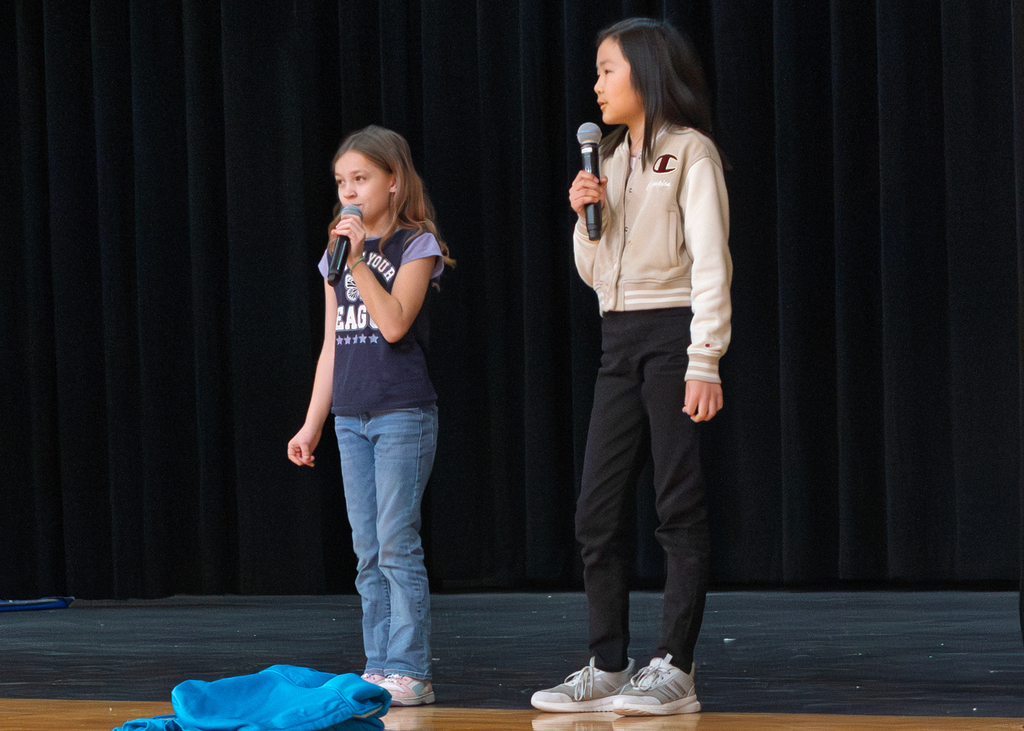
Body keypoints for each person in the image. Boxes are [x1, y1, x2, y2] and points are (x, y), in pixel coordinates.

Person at [531, 18, 732, 716]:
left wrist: (703, 358)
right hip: (618, 337)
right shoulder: (607, 160)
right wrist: (585, 216)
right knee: (596, 509)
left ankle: (675, 664)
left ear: (646, 72)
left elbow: (710, 264)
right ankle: (607, 663)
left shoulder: (690, 153)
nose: (597, 85)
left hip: (674, 329)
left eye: (607, 70)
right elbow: (597, 271)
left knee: (676, 505)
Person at [288, 125, 453, 707]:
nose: (349, 192)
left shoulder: (417, 245)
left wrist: (358, 262)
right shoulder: (335, 256)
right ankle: (379, 665)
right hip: (351, 418)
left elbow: (393, 323)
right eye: (341, 182)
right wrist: (312, 424)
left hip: (401, 412)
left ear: (393, 179)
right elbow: (333, 344)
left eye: (361, 178)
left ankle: (411, 669)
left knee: (395, 540)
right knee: (366, 548)